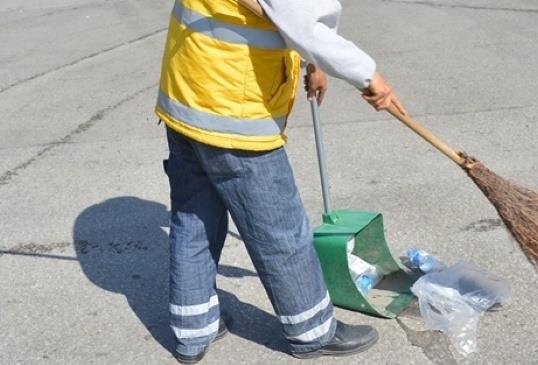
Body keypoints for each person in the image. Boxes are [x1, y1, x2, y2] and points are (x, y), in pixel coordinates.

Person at [154, 0, 405, 363]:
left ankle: (193, 331)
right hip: (233, 116)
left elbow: (277, 12)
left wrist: (312, 62)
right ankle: (313, 331)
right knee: (280, 232)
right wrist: (371, 77)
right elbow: (306, 24)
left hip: (186, 102)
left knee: (194, 220)